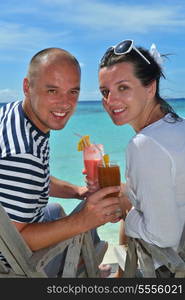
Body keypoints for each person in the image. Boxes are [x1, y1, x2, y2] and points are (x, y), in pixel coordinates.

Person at [0, 47, 122, 277]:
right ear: (28, 87)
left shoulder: (15, 114)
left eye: (72, 92)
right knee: (84, 219)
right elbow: (18, 242)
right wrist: (83, 220)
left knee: (55, 208)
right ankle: (85, 265)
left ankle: (86, 261)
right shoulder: (24, 155)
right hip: (13, 264)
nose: (65, 103)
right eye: (52, 90)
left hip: (11, 226)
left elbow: (32, 182)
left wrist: (78, 190)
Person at [98, 39, 185, 277]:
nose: (110, 101)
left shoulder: (144, 145)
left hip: (165, 269)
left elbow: (164, 236)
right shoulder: (176, 128)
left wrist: (129, 210)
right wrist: (125, 193)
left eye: (123, 87)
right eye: (105, 91)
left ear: (150, 87)